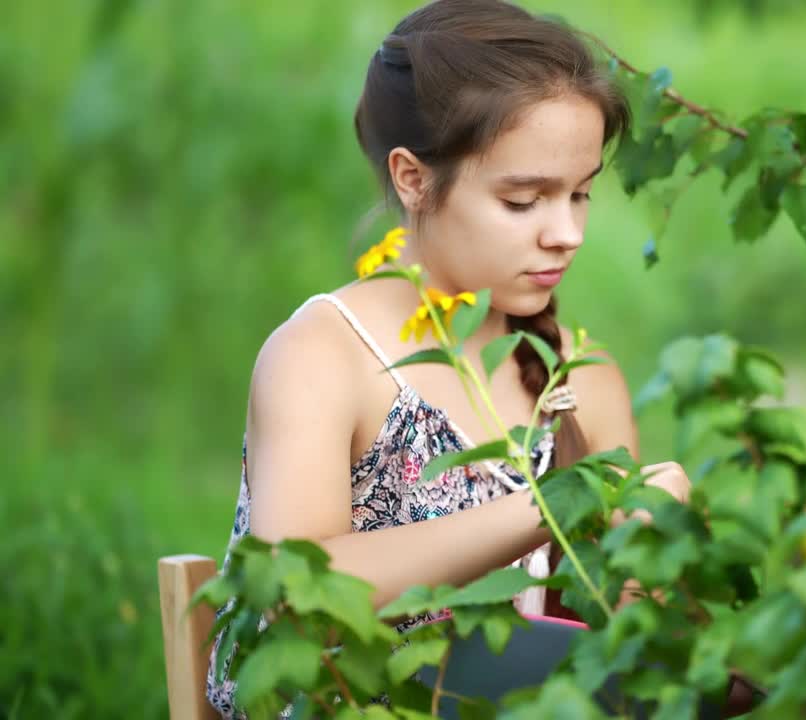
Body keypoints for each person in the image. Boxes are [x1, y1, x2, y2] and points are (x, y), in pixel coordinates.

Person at [205, 1, 693, 716]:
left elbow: (612, 661)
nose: (567, 233)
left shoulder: (579, 379)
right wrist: (542, 507)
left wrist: (649, 570)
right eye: (525, 201)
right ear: (412, 178)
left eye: (581, 194)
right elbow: (294, 595)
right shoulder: (324, 357)